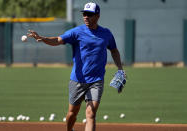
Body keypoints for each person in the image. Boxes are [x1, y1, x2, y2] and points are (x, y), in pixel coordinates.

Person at [27, 2, 124, 131]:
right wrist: (43, 38)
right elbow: (58, 40)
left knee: (91, 114)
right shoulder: (77, 32)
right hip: (77, 80)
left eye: (89, 14)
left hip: (96, 80)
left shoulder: (106, 33)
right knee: (72, 114)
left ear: (97, 16)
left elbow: (114, 50)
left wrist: (120, 68)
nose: (86, 17)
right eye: (84, 14)